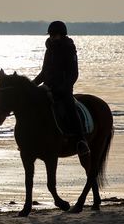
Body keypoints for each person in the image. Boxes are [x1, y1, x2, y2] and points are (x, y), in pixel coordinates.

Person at [32, 21, 88, 155]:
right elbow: (44, 72)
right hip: (48, 87)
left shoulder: (69, 49)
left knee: (69, 107)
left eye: (54, 35)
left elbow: (73, 74)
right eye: (51, 35)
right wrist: (32, 85)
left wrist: (63, 88)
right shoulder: (49, 49)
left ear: (61, 35)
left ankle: (81, 140)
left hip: (64, 89)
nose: (52, 37)